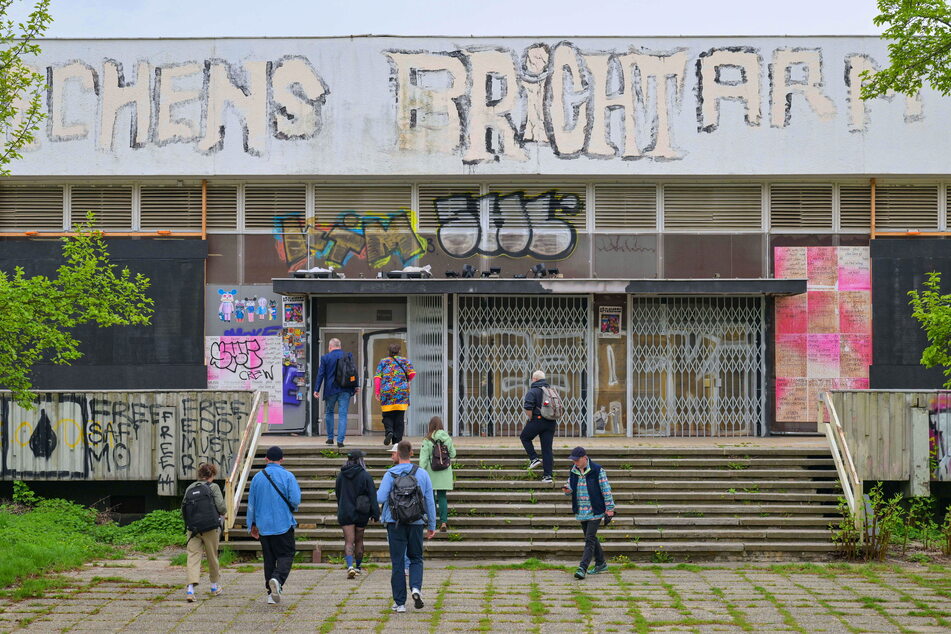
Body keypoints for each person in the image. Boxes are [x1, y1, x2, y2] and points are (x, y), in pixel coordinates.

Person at [377, 440, 437, 613]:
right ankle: (416, 588)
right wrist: (431, 524)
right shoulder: (423, 474)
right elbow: (429, 501)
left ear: (397, 454)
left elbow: (380, 498)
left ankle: (400, 603)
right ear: (411, 453)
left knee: (397, 562)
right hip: (416, 522)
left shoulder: (390, 474)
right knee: (416, 557)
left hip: (394, 522)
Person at [247, 446, 302, 604]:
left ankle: (271, 594)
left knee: (269, 559)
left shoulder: (257, 478)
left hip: (263, 525)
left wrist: (252, 524)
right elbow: (295, 500)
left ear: (266, 459)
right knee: (286, 554)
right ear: (282, 459)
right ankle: (277, 579)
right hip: (283, 522)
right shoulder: (288, 476)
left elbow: (252, 503)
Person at [562, 447, 615, 580]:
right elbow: (569, 486)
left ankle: (582, 568)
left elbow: (606, 489)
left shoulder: (597, 470)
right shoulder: (573, 471)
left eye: (577, 460)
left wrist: (610, 508)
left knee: (589, 539)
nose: (575, 462)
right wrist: (567, 490)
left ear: (585, 458)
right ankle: (601, 563)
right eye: (573, 460)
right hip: (581, 509)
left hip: (595, 510)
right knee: (590, 536)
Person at [182, 463, 226, 602]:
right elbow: (222, 507)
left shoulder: (190, 487)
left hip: (193, 529)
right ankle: (214, 586)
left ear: (200, 475)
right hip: (210, 528)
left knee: (193, 556)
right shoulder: (214, 487)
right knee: (212, 556)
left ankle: (190, 590)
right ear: (212, 475)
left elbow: (183, 508)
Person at [335, 449, 380, 578]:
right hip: (362, 512)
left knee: (349, 541)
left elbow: (338, 493)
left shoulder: (341, 476)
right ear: (360, 460)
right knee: (359, 540)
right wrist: (375, 513)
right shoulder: (365, 475)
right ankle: (358, 567)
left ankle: (350, 566)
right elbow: (372, 496)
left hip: (345, 512)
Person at [314, 338, 359, 448]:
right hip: (345, 389)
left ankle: (330, 438)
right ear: (340, 346)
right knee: (343, 414)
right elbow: (353, 371)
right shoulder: (347, 356)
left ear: (330, 347)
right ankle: (340, 441)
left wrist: (316, 389)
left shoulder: (325, 358)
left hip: (330, 390)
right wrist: (356, 385)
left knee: (329, 412)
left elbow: (320, 374)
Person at [419, 416, 456, 531]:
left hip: (431, 471)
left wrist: (421, 472)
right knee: (442, 497)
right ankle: (444, 522)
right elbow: (453, 454)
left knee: (431, 498)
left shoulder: (427, 440)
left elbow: (423, 459)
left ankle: (432, 521)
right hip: (444, 471)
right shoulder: (447, 438)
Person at [374, 343, 416, 446]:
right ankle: (397, 443)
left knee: (387, 415)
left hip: (387, 392)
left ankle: (389, 431)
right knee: (399, 417)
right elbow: (412, 374)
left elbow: (378, 377)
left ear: (388, 351)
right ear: (399, 351)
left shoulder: (383, 362)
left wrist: (377, 392)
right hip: (401, 392)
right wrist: (406, 381)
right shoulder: (405, 361)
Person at [521, 370, 556, 483]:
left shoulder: (533, 391)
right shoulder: (551, 391)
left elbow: (528, 407)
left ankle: (534, 458)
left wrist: (531, 419)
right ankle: (548, 476)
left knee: (525, 437)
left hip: (538, 420)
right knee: (547, 449)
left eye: (532, 378)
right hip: (551, 422)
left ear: (535, 379)